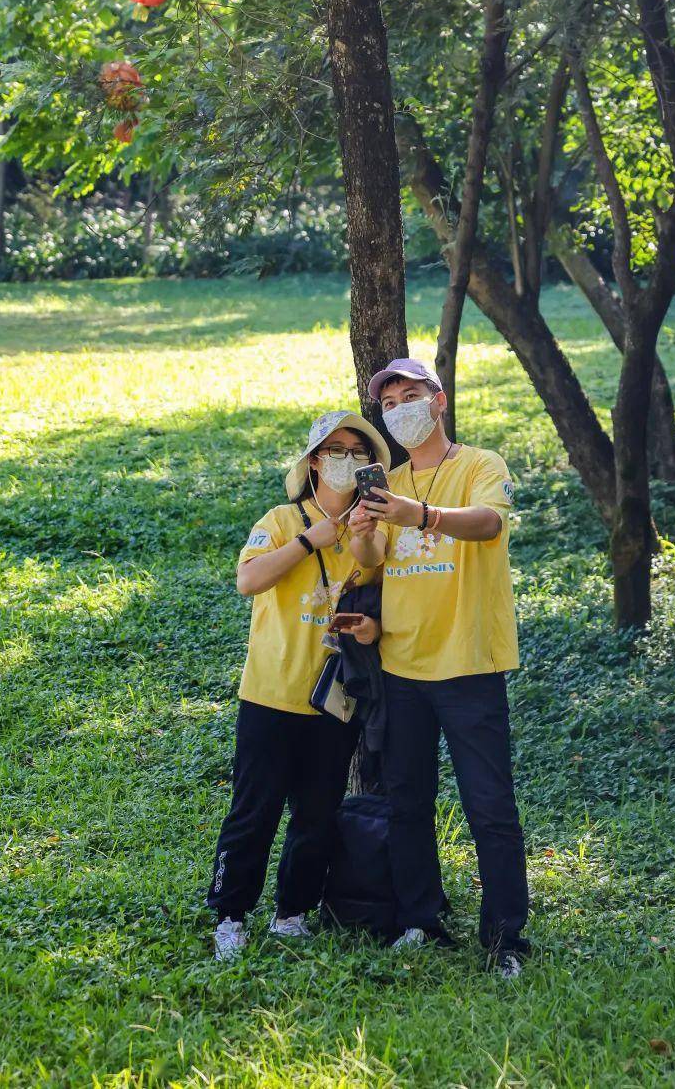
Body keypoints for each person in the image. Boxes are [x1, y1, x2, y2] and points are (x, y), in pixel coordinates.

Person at [355, 358, 530, 977]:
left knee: (489, 806)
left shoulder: (481, 465)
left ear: (439, 401)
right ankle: (418, 920)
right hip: (401, 665)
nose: (399, 407)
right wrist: (364, 529)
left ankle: (505, 939)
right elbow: (372, 563)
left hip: (469, 663)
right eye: (389, 401)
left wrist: (422, 515)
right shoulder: (387, 481)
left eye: (411, 395)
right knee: (407, 801)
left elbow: (489, 524)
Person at [207, 410, 389, 958]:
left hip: (334, 698)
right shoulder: (283, 520)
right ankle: (230, 914)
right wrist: (310, 540)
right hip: (271, 693)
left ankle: (292, 912)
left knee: (318, 812)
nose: (347, 461)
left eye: (358, 453)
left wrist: (369, 624)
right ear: (314, 463)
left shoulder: (371, 529)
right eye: (336, 451)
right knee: (254, 809)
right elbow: (249, 580)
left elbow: (379, 587)